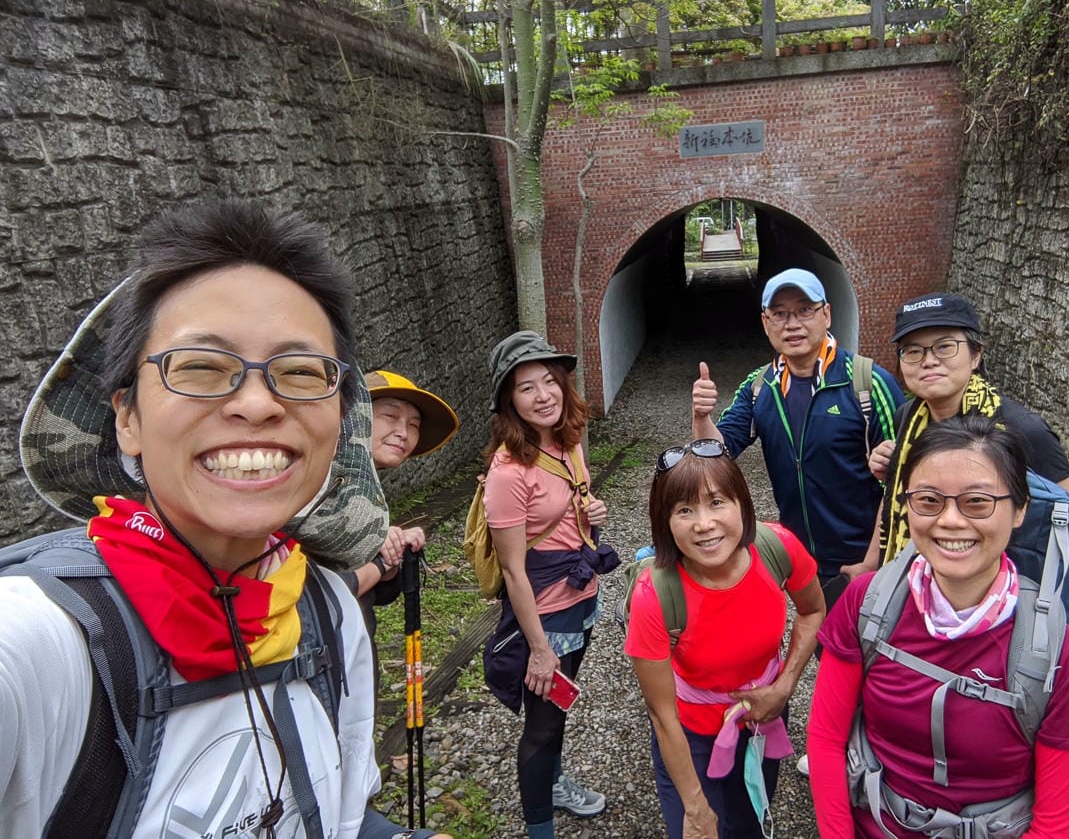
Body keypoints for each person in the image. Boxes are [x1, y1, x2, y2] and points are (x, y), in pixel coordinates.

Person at [1, 199, 449, 838]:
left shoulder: (323, 611)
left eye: (299, 373)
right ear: (127, 417)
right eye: (202, 368)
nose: (258, 403)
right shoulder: (43, 645)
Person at [807, 417, 1069, 838]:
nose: (949, 521)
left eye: (977, 502)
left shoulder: (1057, 654)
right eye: (929, 500)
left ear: (1019, 509)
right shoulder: (868, 604)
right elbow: (825, 738)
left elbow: (1060, 825)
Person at [625, 439, 825, 839]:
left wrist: (784, 686)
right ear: (664, 522)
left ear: (742, 505)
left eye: (717, 502)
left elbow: (813, 609)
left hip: (762, 720)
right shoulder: (653, 596)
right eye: (684, 510)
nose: (703, 523)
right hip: (689, 736)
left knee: (749, 827)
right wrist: (696, 807)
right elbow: (663, 716)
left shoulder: (777, 547)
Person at [691, 268, 905, 612]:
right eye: (780, 313)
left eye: (805, 310)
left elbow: (903, 480)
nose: (792, 324)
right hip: (800, 556)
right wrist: (702, 417)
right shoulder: (760, 386)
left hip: (863, 558)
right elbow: (715, 455)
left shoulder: (867, 382)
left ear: (827, 314)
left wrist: (871, 561)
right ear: (765, 322)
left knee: (868, 654)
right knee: (824, 646)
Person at [482, 330, 618, 839]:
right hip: (546, 612)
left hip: (582, 595)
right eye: (525, 388)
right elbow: (514, 570)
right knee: (540, 729)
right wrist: (538, 648)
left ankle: (555, 784)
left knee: (558, 707)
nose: (543, 396)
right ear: (508, 402)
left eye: (549, 382)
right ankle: (540, 827)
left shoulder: (568, 441)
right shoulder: (507, 471)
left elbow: (573, 514)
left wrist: (592, 512)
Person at [848, 291, 1069, 574]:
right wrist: (871, 565)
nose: (928, 361)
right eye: (913, 351)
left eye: (944, 347)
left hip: (1004, 590)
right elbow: (898, 497)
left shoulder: (1022, 430)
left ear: (975, 355)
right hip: (911, 579)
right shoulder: (908, 418)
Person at [342, 370, 460, 639]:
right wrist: (380, 559)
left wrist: (390, 551)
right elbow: (325, 593)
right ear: (352, 414)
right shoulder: (317, 485)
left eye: (414, 425)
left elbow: (379, 594)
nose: (403, 433)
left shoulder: (364, 485)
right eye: (390, 416)